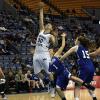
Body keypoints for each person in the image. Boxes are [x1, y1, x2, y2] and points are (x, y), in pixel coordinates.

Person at [60, 35, 97, 100]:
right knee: (87, 84)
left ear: (78, 41)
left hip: (84, 67)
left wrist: (59, 60)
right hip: (91, 67)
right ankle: (94, 97)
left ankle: (76, 99)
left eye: (76, 39)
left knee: (77, 85)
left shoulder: (76, 47)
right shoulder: (86, 48)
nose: (75, 40)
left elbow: (66, 54)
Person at [33, 2, 57, 97]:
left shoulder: (51, 35)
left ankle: (53, 88)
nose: (48, 25)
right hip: (36, 54)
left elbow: (54, 44)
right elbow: (41, 19)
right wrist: (41, 9)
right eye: (47, 24)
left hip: (44, 54)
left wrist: (55, 38)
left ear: (51, 29)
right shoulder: (42, 30)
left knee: (49, 72)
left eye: (49, 25)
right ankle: (48, 84)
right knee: (37, 73)